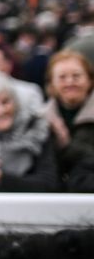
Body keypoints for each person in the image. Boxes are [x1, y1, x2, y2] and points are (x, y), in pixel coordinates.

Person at [43, 49, 94, 191]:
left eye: (76, 76)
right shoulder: (40, 119)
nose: (70, 82)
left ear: (89, 80)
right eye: (62, 77)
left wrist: (65, 144)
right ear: (52, 83)